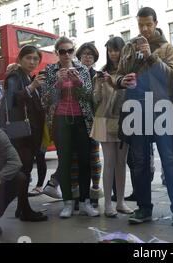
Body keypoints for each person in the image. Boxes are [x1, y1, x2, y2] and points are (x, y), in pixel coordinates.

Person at [114, 7, 173, 226]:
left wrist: (150, 56)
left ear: (155, 23)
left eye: (148, 24)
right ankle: (144, 208)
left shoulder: (166, 47)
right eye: (140, 25)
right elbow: (118, 73)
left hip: (161, 109)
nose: (144, 29)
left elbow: (172, 76)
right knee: (138, 162)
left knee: (169, 160)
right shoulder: (128, 47)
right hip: (135, 109)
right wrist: (120, 81)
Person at [42, 36, 99, 218]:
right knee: (64, 162)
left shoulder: (82, 69)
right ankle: (67, 203)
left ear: (74, 52)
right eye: (62, 51)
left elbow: (89, 95)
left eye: (69, 51)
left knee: (84, 161)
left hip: (82, 120)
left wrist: (78, 82)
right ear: (56, 53)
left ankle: (85, 202)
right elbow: (45, 99)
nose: (66, 55)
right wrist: (57, 83)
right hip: (60, 120)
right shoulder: (51, 69)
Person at [0, 45, 48, 222]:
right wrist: (31, 87)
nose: (32, 61)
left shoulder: (27, 76)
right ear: (20, 59)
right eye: (28, 58)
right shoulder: (15, 76)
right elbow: (11, 100)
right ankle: (24, 210)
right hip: (20, 133)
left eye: (35, 59)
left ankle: (22, 206)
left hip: (29, 132)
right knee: (23, 170)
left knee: (26, 169)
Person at [91, 37, 133, 217]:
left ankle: (120, 202)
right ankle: (107, 203)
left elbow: (130, 94)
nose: (113, 53)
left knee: (121, 163)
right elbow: (96, 100)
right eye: (110, 50)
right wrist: (100, 86)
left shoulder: (129, 71)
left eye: (116, 49)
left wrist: (113, 83)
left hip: (124, 119)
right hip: (103, 120)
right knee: (109, 162)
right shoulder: (101, 73)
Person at [73, 42, 103, 208]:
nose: (87, 57)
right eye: (84, 54)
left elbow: (97, 99)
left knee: (94, 157)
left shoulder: (97, 75)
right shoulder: (73, 73)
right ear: (79, 57)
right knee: (76, 159)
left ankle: (95, 192)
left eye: (90, 55)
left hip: (93, 121)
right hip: (77, 120)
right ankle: (77, 194)